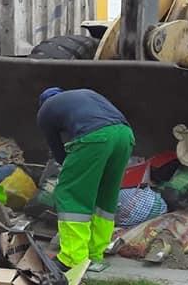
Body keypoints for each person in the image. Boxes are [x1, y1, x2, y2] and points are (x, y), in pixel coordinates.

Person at [37, 88, 135, 270]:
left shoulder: (45, 110)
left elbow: (57, 150)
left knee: (70, 193)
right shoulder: (84, 95)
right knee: (106, 195)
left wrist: (71, 170)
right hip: (125, 135)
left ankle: (73, 258)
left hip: (95, 138)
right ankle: (95, 253)